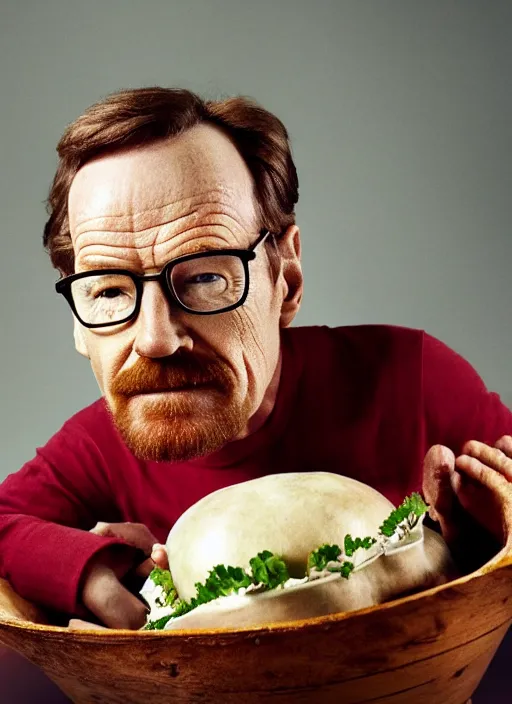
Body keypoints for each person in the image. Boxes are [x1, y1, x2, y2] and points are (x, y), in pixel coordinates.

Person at [0, 87, 511, 632]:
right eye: (107, 292)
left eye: (205, 277)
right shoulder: (97, 448)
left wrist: (483, 549)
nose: (153, 339)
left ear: (284, 281)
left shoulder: (414, 380)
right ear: (78, 321)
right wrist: (94, 572)